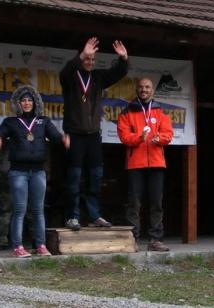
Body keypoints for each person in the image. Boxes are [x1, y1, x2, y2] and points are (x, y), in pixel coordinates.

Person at [0, 84, 69, 257]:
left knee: (38, 210)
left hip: (38, 172)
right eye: (23, 100)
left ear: (35, 102)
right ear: (18, 103)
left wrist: (64, 138)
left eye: (29, 100)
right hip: (18, 172)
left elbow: (55, 137)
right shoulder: (10, 122)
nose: (26, 103)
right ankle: (17, 247)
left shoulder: (43, 121)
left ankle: (41, 246)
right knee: (19, 210)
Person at [59, 37, 129, 230]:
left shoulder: (98, 78)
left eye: (92, 59)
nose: (90, 62)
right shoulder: (71, 77)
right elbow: (64, 72)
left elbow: (118, 73)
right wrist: (83, 53)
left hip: (93, 135)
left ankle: (94, 215)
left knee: (96, 177)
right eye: (87, 59)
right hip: (74, 134)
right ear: (80, 59)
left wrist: (123, 59)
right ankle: (72, 216)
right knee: (74, 178)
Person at [117, 78, 173, 251]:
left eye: (147, 87)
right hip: (136, 164)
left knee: (156, 202)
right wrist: (139, 138)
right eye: (141, 87)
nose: (144, 90)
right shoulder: (127, 112)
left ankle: (155, 240)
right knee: (134, 202)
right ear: (137, 90)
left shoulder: (160, 111)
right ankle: (133, 239)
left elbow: (168, 134)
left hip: (156, 163)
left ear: (152, 90)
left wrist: (159, 138)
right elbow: (124, 136)